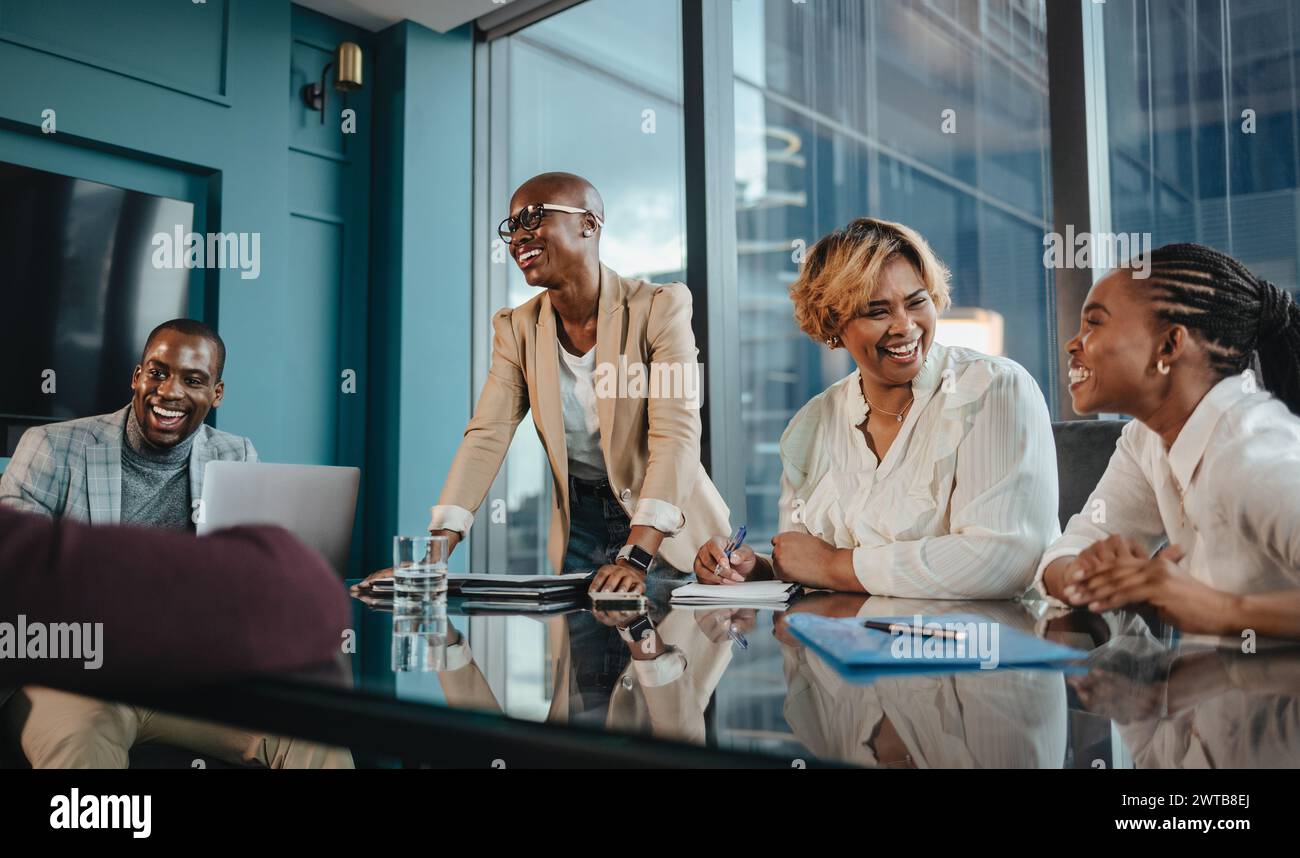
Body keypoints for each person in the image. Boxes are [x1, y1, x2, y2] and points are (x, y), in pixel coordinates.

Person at [355, 172, 729, 595]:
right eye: (511, 226)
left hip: (669, 530)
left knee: (666, 652)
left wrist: (636, 554)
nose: (518, 237)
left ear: (588, 223)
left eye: (533, 218)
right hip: (580, 527)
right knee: (581, 660)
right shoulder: (516, 329)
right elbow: (487, 435)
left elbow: (675, 436)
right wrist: (433, 555)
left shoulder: (659, 308)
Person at [693, 217, 1058, 597]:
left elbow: (1002, 560)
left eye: (917, 302)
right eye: (877, 311)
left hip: (984, 647)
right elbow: (805, 560)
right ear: (834, 322)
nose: (905, 326)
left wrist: (836, 565)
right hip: (841, 645)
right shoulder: (814, 422)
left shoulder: (992, 389)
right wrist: (755, 571)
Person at [1036, 243, 1300, 639]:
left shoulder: (1253, 451)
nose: (1074, 344)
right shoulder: (1148, 437)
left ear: (1169, 346)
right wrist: (1088, 574)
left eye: (1095, 323)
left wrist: (1224, 611)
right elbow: (1073, 548)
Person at [0, 505, 350, 765]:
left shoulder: (226, 452)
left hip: (181, 666)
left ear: (215, 400)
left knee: (310, 728)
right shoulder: (54, 448)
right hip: (66, 671)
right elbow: (300, 595)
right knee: (78, 738)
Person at [0, 318, 255, 526]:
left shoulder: (235, 457)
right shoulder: (50, 449)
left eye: (193, 381)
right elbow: (16, 563)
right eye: (157, 373)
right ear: (137, 377)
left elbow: (247, 565)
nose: (169, 392)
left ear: (216, 394)